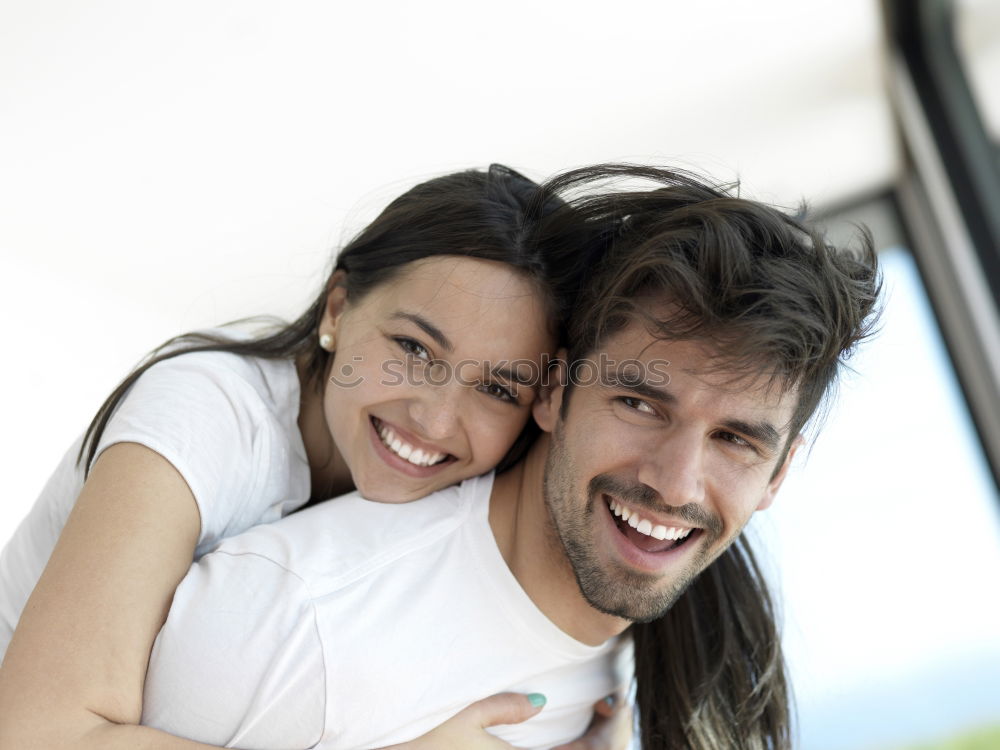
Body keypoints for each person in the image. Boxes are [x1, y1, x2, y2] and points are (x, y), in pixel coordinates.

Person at [82, 166, 880, 749]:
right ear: (557, 393)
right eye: (639, 404)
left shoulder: (649, 662)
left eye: (736, 440)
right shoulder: (296, 609)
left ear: (779, 475)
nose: (674, 483)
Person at [0, 165, 625, 748]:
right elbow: (45, 735)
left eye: (496, 388)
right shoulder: (203, 413)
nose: (435, 419)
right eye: (413, 348)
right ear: (336, 308)